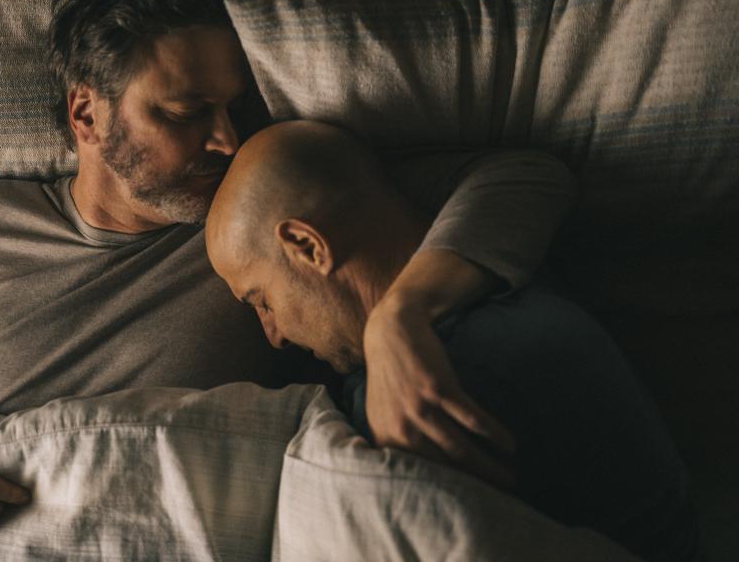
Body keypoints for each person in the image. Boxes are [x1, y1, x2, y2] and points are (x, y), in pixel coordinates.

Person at [0, 0, 576, 547]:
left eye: (231, 107)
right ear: (86, 114)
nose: (225, 138)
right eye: (186, 112)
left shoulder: (258, 208)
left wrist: (400, 317)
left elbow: (521, 178)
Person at [204, 120, 703, 562]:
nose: (273, 336)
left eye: (260, 300)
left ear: (308, 247)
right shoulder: (496, 296)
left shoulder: (453, 380)